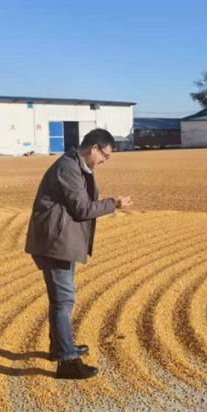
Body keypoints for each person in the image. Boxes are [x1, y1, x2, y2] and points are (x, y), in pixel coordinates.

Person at [25, 128, 132, 380]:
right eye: (105, 155)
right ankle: (67, 361)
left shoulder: (78, 167)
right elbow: (82, 209)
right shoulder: (68, 168)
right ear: (94, 148)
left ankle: (60, 347)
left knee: (61, 300)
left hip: (61, 241)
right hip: (55, 244)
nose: (105, 160)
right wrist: (113, 204)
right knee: (63, 301)